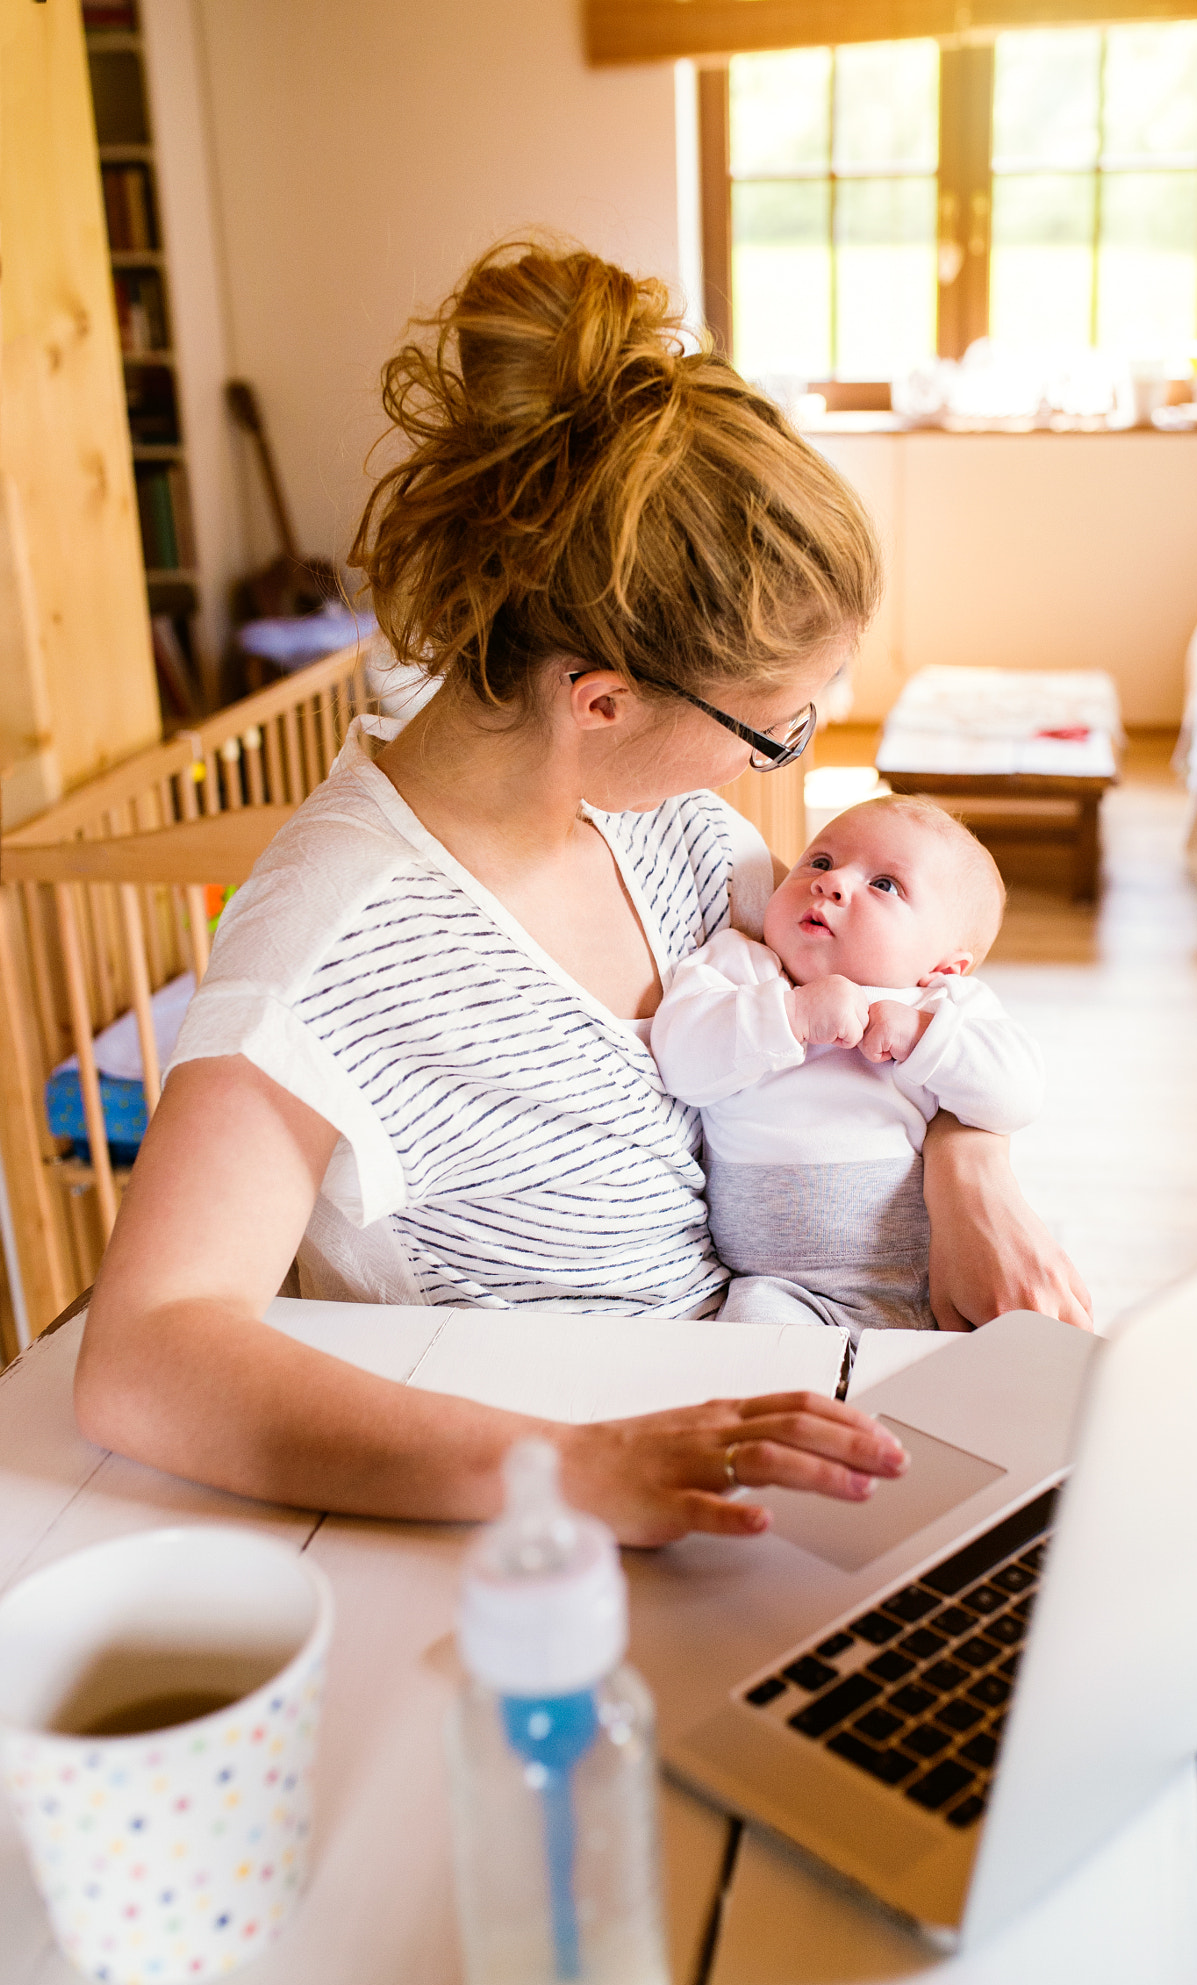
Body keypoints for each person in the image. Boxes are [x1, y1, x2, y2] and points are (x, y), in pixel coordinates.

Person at [74, 241, 1090, 1549]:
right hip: (565, 1539)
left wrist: (973, 1169)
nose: (774, 766)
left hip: (778, 1413)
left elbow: (899, 972)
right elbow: (147, 1354)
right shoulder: (334, 941)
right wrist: (570, 1472)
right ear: (600, 700)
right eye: (775, 733)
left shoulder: (663, 827)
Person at [652, 795, 1043, 1341]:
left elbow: (1016, 1095)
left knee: (965, 1397)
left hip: (929, 1281)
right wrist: (791, 1015)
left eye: (884, 885)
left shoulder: (944, 1005)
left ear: (944, 965)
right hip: (777, 1288)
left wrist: (923, 1037)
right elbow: (680, 1061)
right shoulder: (742, 967)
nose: (830, 884)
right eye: (820, 861)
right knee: (758, 1373)